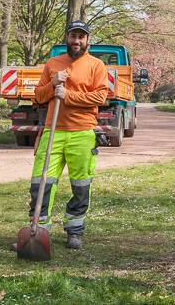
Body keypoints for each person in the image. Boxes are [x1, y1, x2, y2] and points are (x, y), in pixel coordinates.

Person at [27, 20, 111, 250]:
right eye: (73, 36)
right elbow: (38, 96)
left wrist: (68, 95)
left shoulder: (96, 66)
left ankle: (74, 232)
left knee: (80, 185)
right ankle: (38, 230)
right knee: (40, 183)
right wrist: (53, 84)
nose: (76, 41)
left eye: (81, 37)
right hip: (53, 132)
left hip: (82, 133)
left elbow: (100, 97)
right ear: (67, 38)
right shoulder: (53, 64)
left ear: (87, 40)